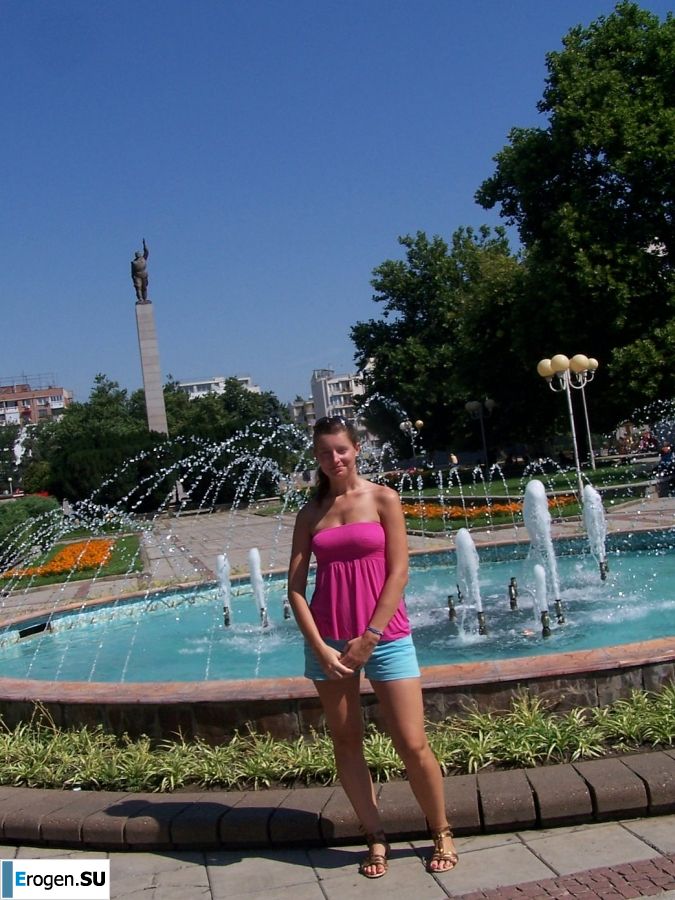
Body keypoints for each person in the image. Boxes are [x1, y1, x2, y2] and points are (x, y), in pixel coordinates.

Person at [287, 415, 458, 880]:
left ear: (356, 448)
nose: (334, 459)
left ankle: (440, 828)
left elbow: (399, 572)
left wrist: (370, 637)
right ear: (317, 458)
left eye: (340, 449)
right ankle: (375, 835)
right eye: (324, 453)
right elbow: (296, 590)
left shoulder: (383, 498)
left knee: (411, 741)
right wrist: (320, 647)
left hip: (386, 637)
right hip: (329, 643)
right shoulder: (311, 513)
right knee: (346, 742)